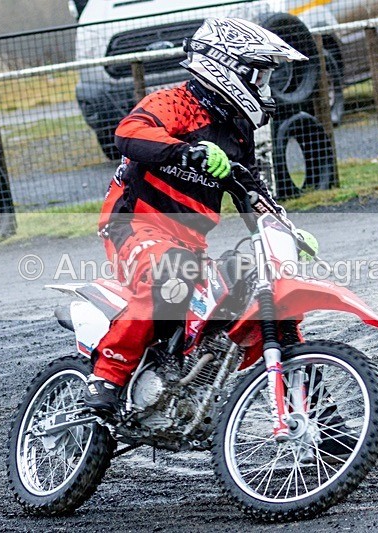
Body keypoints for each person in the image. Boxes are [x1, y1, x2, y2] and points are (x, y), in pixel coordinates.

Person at [84, 17, 317, 416]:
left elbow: (250, 190)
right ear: (226, 67)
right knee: (172, 272)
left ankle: (313, 411)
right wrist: (183, 151)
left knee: (267, 294)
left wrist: (282, 226)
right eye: (257, 77)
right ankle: (106, 376)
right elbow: (128, 132)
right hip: (137, 224)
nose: (262, 88)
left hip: (190, 242)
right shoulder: (174, 103)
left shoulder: (237, 132)